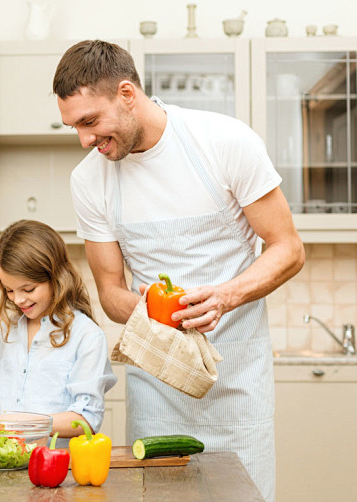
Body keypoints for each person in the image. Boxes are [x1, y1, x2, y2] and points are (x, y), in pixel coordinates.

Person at [52, 40, 305, 501]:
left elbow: (288, 248)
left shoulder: (224, 141)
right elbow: (110, 291)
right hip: (157, 392)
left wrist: (225, 297)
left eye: (90, 121)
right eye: (74, 126)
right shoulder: (89, 180)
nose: (85, 140)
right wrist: (157, 309)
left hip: (237, 384)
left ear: (127, 93)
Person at [0, 219, 117, 442]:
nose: (18, 299)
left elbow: (86, 418)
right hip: (2, 459)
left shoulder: (86, 336)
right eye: (9, 290)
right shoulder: (7, 331)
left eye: (28, 289)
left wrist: (20, 422)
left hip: (55, 467)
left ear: (56, 278)